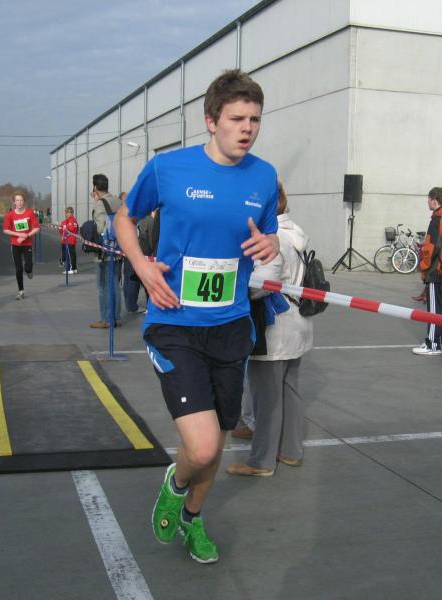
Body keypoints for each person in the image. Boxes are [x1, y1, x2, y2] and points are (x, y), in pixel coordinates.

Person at [113, 69, 280, 564]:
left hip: (232, 325)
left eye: (254, 119)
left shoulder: (264, 177)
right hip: (175, 322)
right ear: (211, 120)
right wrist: (142, 266)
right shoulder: (168, 169)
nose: (247, 128)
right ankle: (176, 481)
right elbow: (124, 217)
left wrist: (271, 243)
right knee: (202, 447)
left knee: (219, 436)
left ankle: (192, 517)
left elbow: (268, 233)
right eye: (236, 118)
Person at [226, 182, 313, 476]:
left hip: (274, 327)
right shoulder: (294, 233)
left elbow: (262, 285)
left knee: (267, 399)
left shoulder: (271, 239)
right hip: (297, 323)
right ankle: (291, 451)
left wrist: (233, 287)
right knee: (290, 391)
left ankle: (261, 461)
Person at [411, 186, 442, 356]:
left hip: (436, 271)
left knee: (434, 309)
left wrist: (424, 266)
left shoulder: (437, 220)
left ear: (434, 200)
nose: (427, 202)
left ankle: (432, 344)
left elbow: (431, 247)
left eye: (429, 199)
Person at [89, 174, 123, 329]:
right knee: (115, 284)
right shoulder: (117, 201)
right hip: (118, 249)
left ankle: (106, 319)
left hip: (104, 252)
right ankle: (116, 317)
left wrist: (96, 203)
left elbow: (100, 228)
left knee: (103, 286)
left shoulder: (99, 204)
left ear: (95, 187)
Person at [2, 193, 39, 300]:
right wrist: (18, 234)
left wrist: (26, 235)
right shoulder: (10, 215)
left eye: (21, 200)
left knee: (27, 268)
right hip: (16, 245)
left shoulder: (30, 213)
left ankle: (29, 271)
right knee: (18, 269)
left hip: (27, 244)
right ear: (14, 202)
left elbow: (36, 228)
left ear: (24, 202)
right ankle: (21, 291)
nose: (19, 203)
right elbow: (5, 230)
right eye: (17, 200)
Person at [59, 206, 79, 274]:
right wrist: (62, 228)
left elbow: (72, 229)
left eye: (69, 212)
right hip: (65, 240)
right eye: (67, 212)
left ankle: (72, 269)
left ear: (72, 213)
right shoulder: (65, 221)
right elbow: (61, 230)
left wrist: (65, 227)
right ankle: (72, 268)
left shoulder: (72, 220)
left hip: (69, 240)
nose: (67, 214)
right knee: (68, 254)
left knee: (70, 255)